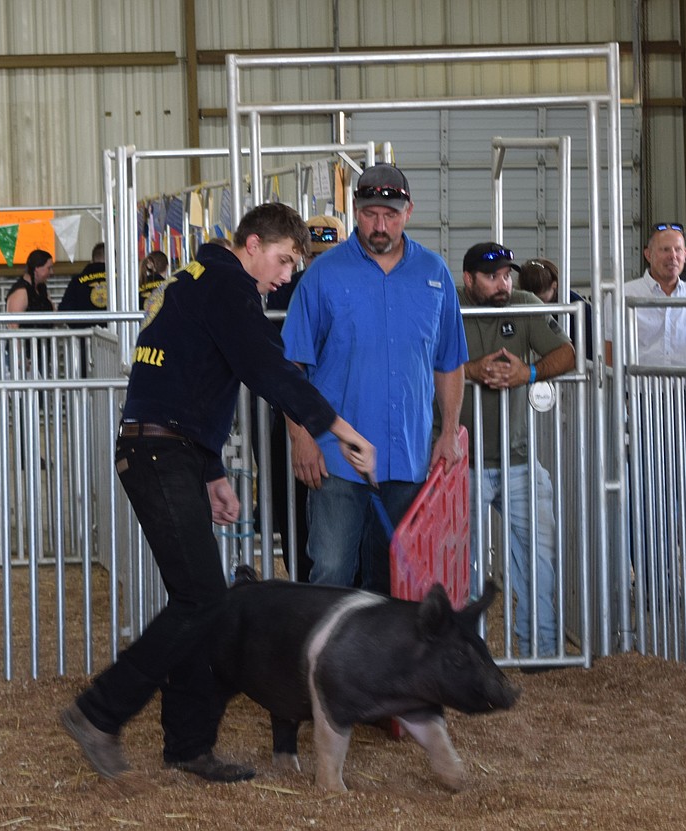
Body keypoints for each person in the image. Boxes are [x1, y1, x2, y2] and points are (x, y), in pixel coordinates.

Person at [60, 202, 376, 784]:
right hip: (159, 453)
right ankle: (98, 712)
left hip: (164, 448)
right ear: (252, 244)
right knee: (203, 599)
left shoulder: (196, 278)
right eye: (282, 260)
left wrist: (210, 471)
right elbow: (269, 369)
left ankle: (186, 744)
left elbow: (185, 378)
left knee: (201, 602)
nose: (286, 275)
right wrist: (339, 428)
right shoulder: (230, 287)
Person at [282, 164, 469, 593]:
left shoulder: (435, 274)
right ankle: (327, 662)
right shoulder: (322, 276)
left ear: (409, 212)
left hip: (408, 456)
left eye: (390, 213)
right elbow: (292, 366)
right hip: (336, 459)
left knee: (397, 579)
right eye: (369, 214)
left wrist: (448, 433)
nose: (380, 224)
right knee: (330, 572)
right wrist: (301, 437)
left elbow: (449, 360)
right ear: (354, 211)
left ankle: (382, 662)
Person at [458, 242, 575, 660]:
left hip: (518, 459)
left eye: (507, 275)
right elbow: (421, 359)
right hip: (459, 461)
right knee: (462, 565)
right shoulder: (448, 304)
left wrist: (529, 372)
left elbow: (567, 353)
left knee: (540, 555)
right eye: (492, 276)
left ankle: (540, 649)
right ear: (469, 279)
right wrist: (469, 371)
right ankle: (466, 654)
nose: (502, 284)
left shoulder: (523, 303)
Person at [256, 214, 346, 580]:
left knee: (299, 506)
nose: (319, 263)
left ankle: (306, 580)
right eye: (315, 254)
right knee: (303, 504)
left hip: (306, 413)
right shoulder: (286, 288)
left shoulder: (282, 288)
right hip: (308, 414)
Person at [603, 223, 686, 367]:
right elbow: (610, 353)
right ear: (648, 254)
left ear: (685, 255)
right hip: (637, 389)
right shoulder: (621, 297)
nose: (672, 256)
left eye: (678, 250)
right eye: (665, 249)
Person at [517, 257, 594, 360]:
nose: (535, 303)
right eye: (529, 298)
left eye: (540, 299)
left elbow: (587, 351)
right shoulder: (521, 301)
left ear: (554, 285)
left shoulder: (575, 308)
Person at [58, 242, 107, 323]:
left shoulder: (77, 281)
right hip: (118, 333)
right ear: (113, 260)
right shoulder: (121, 281)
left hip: (83, 333)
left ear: (92, 259)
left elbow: (64, 310)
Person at [5, 248, 55, 324]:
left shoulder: (41, 288)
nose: (51, 272)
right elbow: (13, 325)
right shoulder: (21, 292)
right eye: (48, 268)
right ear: (37, 268)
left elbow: (54, 313)